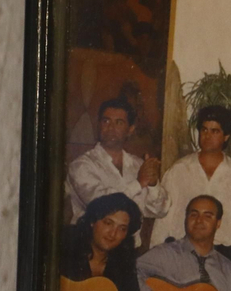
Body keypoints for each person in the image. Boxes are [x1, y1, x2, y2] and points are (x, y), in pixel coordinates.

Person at [149, 105, 231, 271]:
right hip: (182, 253)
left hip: (223, 256)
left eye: (215, 131)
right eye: (204, 130)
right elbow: (163, 220)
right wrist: (155, 257)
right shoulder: (179, 169)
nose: (208, 136)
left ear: (226, 136)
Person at [65, 98, 169, 246]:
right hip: (89, 249)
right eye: (106, 121)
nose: (111, 127)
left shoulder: (138, 165)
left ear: (130, 129)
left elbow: (160, 211)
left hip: (128, 251)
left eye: (119, 122)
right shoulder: (82, 165)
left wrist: (152, 184)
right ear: (99, 124)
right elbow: (101, 205)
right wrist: (138, 183)